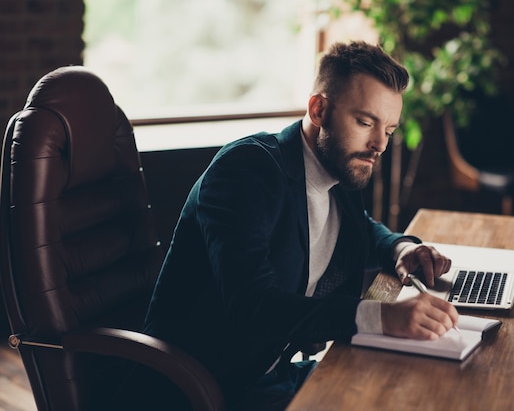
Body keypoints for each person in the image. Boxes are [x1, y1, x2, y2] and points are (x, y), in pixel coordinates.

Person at [143, 41, 458, 411]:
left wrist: (400, 248)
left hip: (274, 374)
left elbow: (358, 227)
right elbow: (252, 307)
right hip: (213, 387)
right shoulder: (246, 171)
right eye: (365, 122)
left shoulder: (338, 169)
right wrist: (382, 316)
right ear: (319, 109)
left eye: (388, 130)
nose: (378, 145)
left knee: (418, 384)